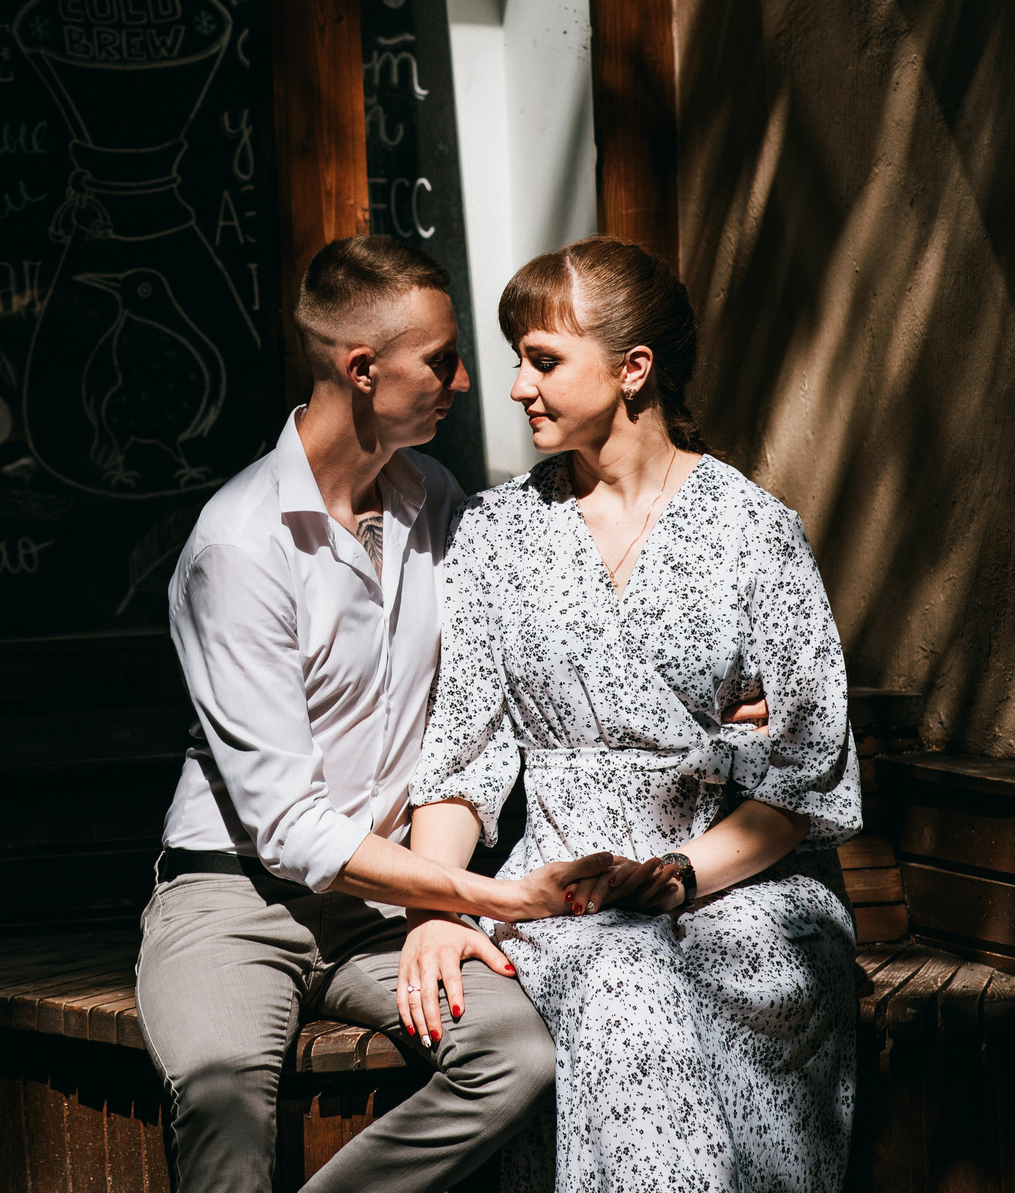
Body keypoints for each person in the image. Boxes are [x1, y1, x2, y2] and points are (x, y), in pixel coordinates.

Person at [136, 235, 641, 1193]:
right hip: (234, 895)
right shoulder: (238, 548)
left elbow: (535, 627)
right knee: (223, 1102)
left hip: (383, 900)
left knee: (520, 1057)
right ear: (363, 370)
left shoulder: (433, 499)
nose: (465, 382)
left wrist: (717, 689)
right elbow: (285, 827)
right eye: (443, 360)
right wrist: (488, 897)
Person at [399, 237, 864, 1193]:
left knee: (698, 961)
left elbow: (808, 769)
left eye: (543, 359)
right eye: (515, 358)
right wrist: (438, 907)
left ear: (632, 369)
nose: (518, 385)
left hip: (736, 879)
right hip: (561, 889)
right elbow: (464, 754)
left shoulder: (753, 528)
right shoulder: (494, 533)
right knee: (622, 979)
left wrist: (683, 876)